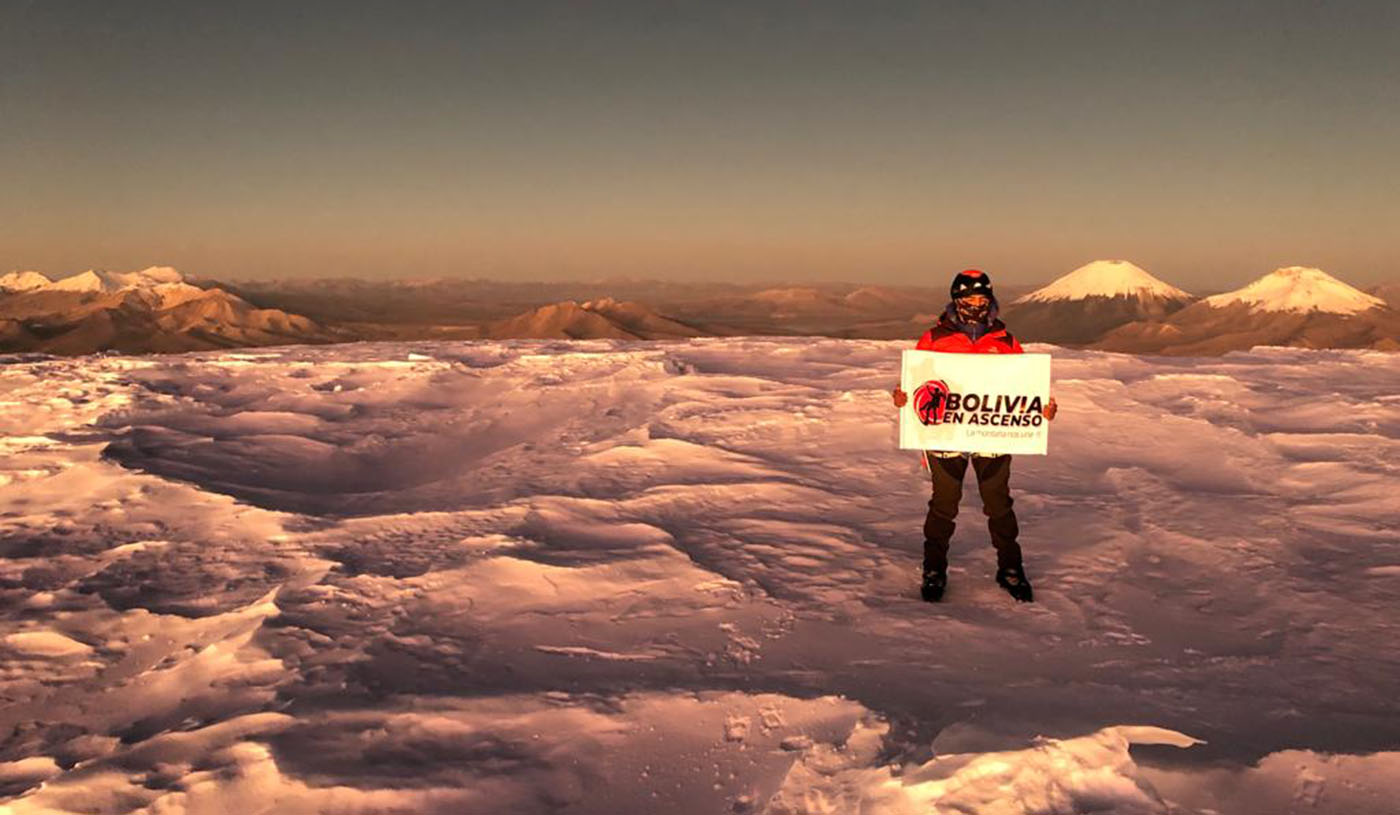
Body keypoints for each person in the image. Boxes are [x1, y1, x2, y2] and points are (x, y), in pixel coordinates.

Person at [892, 269, 1057, 603]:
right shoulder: (934, 340)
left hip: (992, 435)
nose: (976, 305)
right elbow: (919, 380)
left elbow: (1022, 386)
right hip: (944, 434)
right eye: (969, 299)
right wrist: (904, 397)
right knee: (944, 504)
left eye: (982, 299)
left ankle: (1010, 568)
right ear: (956, 300)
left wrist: (1041, 409)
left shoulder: (1006, 342)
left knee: (999, 505)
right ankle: (934, 569)